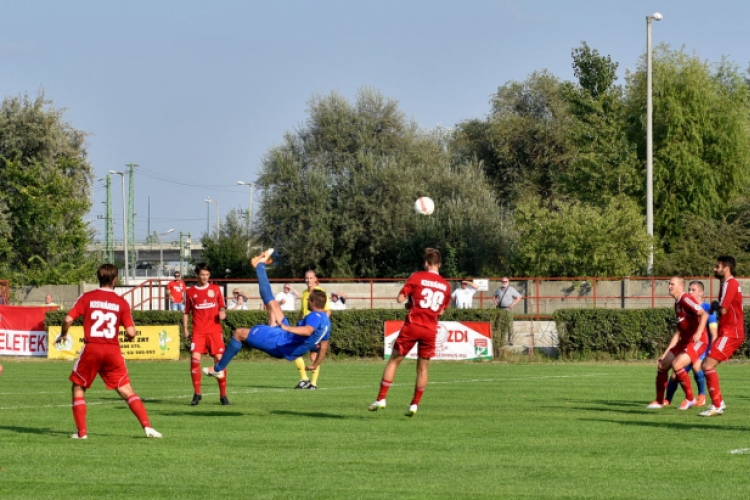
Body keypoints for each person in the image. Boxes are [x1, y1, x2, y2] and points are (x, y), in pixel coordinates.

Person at [54, 263, 162, 439]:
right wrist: (130, 337)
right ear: (115, 279)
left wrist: (63, 334)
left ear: (99, 277)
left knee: (78, 387)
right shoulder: (121, 302)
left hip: (92, 348)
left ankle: (82, 433)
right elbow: (131, 332)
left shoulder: (87, 297)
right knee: (126, 389)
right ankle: (147, 427)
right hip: (112, 351)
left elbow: (67, 319)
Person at [203, 249, 331, 382]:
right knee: (272, 302)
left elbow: (308, 330)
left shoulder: (314, 316)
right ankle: (260, 266)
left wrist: (286, 328)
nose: (306, 301)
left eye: (308, 300)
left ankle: (218, 369)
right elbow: (324, 346)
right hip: (287, 338)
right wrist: (316, 364)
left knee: (239, 333)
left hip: (281, 343)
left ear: (314, 302)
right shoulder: (326, 321)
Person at [368, 247, 450, 417]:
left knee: (394, 362)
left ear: (426, 263)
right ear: (439, 264)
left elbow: (400, 299)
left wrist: (410, 303)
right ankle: (414, 404)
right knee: (423, 369)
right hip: (430, 329)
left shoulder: (417, 276)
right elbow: (441, 311)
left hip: (413, 325)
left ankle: (381, 399)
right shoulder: (446, 285)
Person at [646, 277, 709, 410]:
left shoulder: (686, 299)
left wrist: (698, 333)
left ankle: (690, 399)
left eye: (672, 284)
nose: (669, 286)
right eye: (669, 284)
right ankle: (659, 401)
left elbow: (704, 314)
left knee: (677, 364)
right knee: (662, 365)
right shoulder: (677, 304)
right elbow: (679, 333)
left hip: (698, 341)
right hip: (685, 342)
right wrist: (665, 353)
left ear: (680, 287)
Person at [698, 256, 745, 417]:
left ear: (726, 268)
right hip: (729, 332)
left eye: (717, 266)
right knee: (707, 365)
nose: (714, 269)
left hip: (731, 333)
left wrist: (713, 305)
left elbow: (723, 309)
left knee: (707, 365)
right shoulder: (727, 284)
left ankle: (717, 405)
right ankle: (718, 403)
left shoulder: (730, 284)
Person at [664, 280, 718, 407]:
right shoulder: (686, 306)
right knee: (675, 374)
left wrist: (711, 353)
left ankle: (702, 396)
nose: (690, 292)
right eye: (689, 289)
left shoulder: (708, 310)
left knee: (696, 366)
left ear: (701, 292)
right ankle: (667, 400)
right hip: (690, 345)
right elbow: (679, 332)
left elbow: (714, 334)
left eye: (693, 290)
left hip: (703, 347)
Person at [183, 263, 229, 406]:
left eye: (207, 275)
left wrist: (222, 312)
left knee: (219, 361)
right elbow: (186, 312)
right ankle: (197, 393)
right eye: (202, 275)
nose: (204, 277)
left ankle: (223, 395)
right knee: (195, 359)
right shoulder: (190, 292)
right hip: (198, 331)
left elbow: (222, 306)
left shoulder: (215, 289)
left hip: (214, 331)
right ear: (197, 275)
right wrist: (185, 329)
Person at [292, 270, 332, 390]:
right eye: (306, 278)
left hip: (315, 330)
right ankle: (305, 379)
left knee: (312, 355)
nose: (308, 280)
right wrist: (298, 324)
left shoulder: (320, 292)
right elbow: (302, 311)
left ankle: (312, 383)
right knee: (294, 351)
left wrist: (323, 325)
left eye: (310, 278)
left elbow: (328, 310)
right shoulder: (304, 293)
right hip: (304, 328)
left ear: (315, 279)